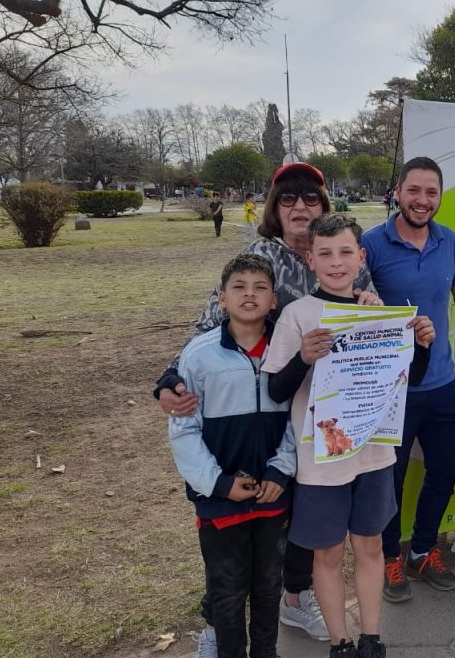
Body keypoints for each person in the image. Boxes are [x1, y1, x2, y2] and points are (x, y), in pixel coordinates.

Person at [156, 163, 378, 654]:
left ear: (325, 206)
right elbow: (209, 324)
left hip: (316, 419)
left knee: (298, 518)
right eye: (288, 198)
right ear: (274, 208)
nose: (300, 207)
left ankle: (294, 600)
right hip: (255, 405)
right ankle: (219, 621)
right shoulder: (260, 256)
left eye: (311, 198)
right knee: (231, 541)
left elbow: (366, 318)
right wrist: (168, 380)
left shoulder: (343, 259)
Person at [263, 215, 435, 658]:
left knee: (371, 545)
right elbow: (276, 390)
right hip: (321, 461)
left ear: (360, 257)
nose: (336, 263)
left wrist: (419, 346)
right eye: (325, 253)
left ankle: (371, 637)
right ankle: (340, 641)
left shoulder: (377, 309)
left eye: (345, 252)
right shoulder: (297, 315)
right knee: (327, 554)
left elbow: (405, 380)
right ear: (310, 258)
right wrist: (302, 358)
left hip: (374, 455)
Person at [363, 156, 455, 604]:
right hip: (390, 389)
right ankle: (388, 558)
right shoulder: (371, 244)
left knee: (442, 471)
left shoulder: (449, 241)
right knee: (391, 478)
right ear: (397, 192)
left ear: (439, 198)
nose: (423, 201)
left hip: (441, 383)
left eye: (432, 193)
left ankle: (423, 549)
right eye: (414, 191)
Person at [168, 253, 297, 658]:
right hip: (219, 500)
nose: (249, 295)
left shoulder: (289, 352)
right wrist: (220, 483)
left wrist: (281, 470)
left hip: (273, 496)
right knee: (226, 592)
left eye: (260, 287)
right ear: (221, 299)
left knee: (267, 588)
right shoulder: (199, 355)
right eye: (238, 287)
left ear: (274, 300)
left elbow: (303, 415)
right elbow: (183, 429)